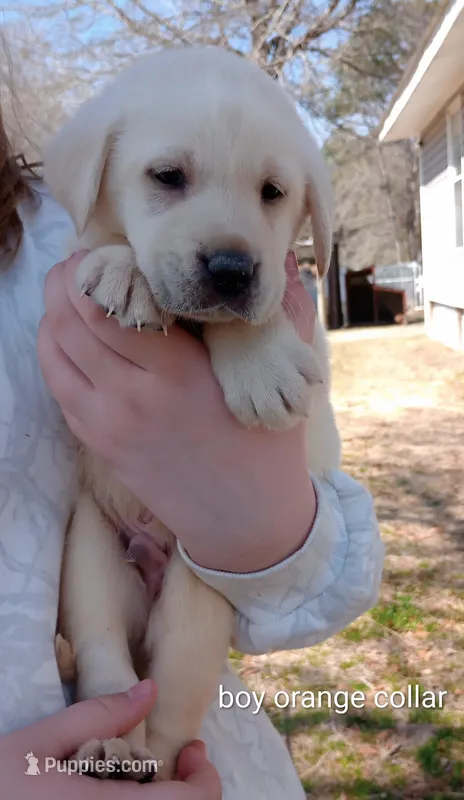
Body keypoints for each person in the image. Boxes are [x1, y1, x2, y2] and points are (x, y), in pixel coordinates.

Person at [0, 91, 384, 799]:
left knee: (169, 704)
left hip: (206, 749)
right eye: (169, 178)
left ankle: (163, 733)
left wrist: (258, 508)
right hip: (98, 599)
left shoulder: (50, 227)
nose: (230, 241)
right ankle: (116, 692)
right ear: (102, 171)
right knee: (94, 548)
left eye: (271, 192)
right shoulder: (78, 231)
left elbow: (324, 573)